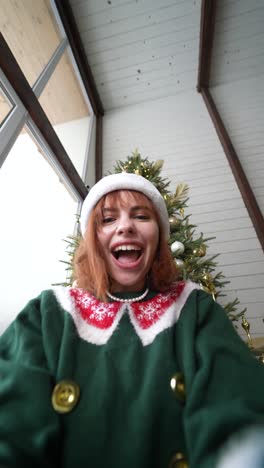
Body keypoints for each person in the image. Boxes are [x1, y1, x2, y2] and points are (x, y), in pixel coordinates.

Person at [0, 172, 264, 468]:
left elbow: (236, 406)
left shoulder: (195, 307)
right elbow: (10, 422)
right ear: (92, 240)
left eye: (141, 216)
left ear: (159, 236)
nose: (125, 226)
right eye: (108, 219)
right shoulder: (48, 312)